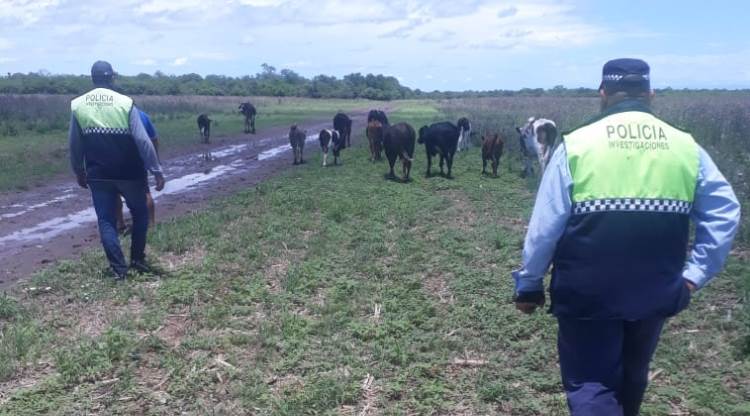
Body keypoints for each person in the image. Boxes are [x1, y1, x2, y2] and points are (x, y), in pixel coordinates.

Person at [512, 58, 741, 416]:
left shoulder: (577, 145)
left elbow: (545, 227)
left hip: (586, 294)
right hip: (655, 290)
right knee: (633, 378)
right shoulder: (686, 147)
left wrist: (529, 283)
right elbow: (724, 211)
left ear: (603, 93)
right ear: (650, 94)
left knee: (591, 385)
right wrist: (694, 275)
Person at [69, 61, 166, 280]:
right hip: (130, 173)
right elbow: (143, 141)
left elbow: (74, 144)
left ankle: (119, 270)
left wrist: (78, 170)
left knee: (106, 220)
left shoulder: (78, 105)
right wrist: (156, 170)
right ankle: (137, 260)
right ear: (112, 77)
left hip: (98, 175)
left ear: (93, 78)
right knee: (140, 214)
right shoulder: (126, 103)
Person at [116, 110, 159, 232]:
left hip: (116, 160)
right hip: (137, 160)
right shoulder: (142, 115)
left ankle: (120, 224)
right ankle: (151, 223)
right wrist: (155, 159)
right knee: (145, 192)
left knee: (115, 193)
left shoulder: (114, 114)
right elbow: (154, 139)